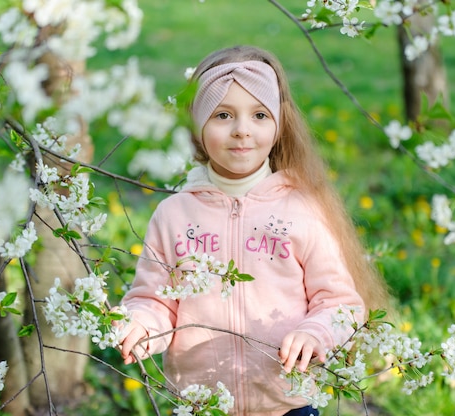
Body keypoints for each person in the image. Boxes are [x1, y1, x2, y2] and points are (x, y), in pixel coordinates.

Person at [118, 45, 391, 415]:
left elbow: (340, 303)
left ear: (279, 125)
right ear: (197, 127)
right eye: (223, 115)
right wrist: (142, 325)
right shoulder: (174, 215)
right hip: (202, 404)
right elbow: (154, 299)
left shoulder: (302, 209)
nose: (242, 131)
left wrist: (315, 333)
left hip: (287, 401)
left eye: (260, 114)